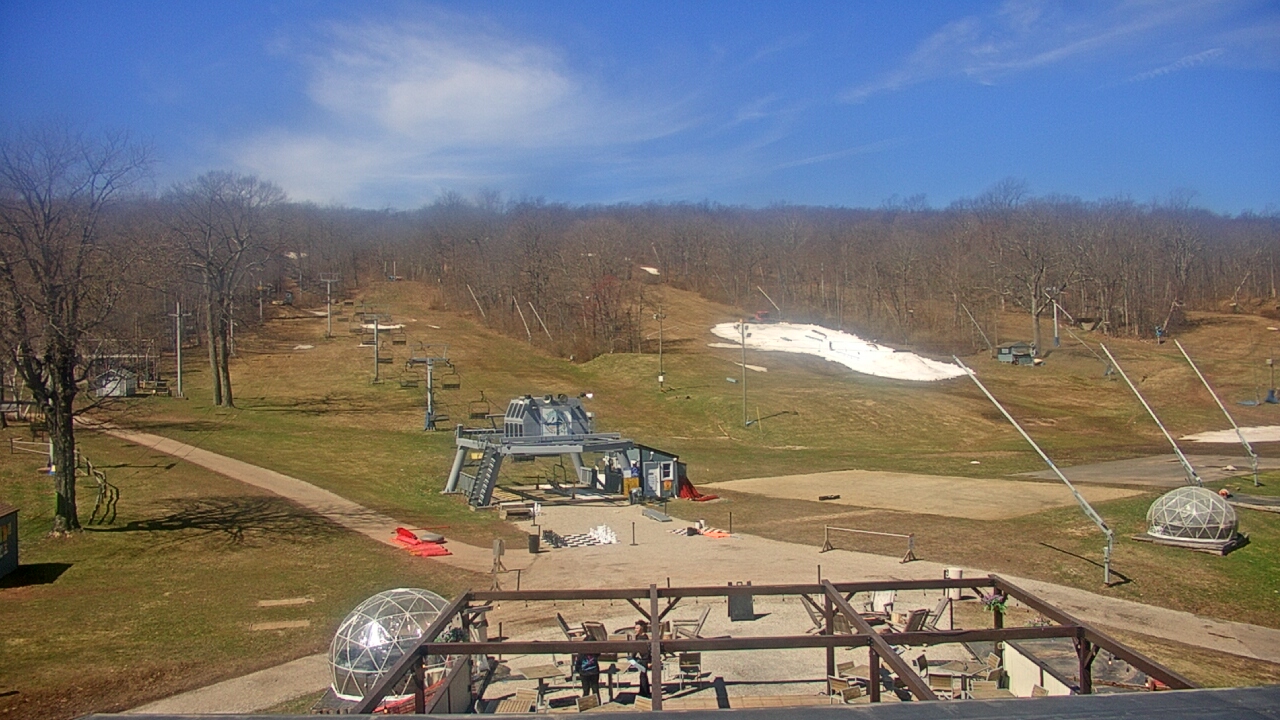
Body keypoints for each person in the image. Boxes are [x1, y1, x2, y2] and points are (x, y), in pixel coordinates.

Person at [631, 620, 652, 698]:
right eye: (635, 628)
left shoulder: (645, 637)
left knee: (643, 675)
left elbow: (648, 650)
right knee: (643, 675)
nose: (635, 630)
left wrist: (649, 661)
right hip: (641, 658)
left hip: (645, 659)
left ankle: (644, 693)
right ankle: (645, 692)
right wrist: (632, 658)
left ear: (642, 628)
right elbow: (636, 648)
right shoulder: (637, 637)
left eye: (637, 628)